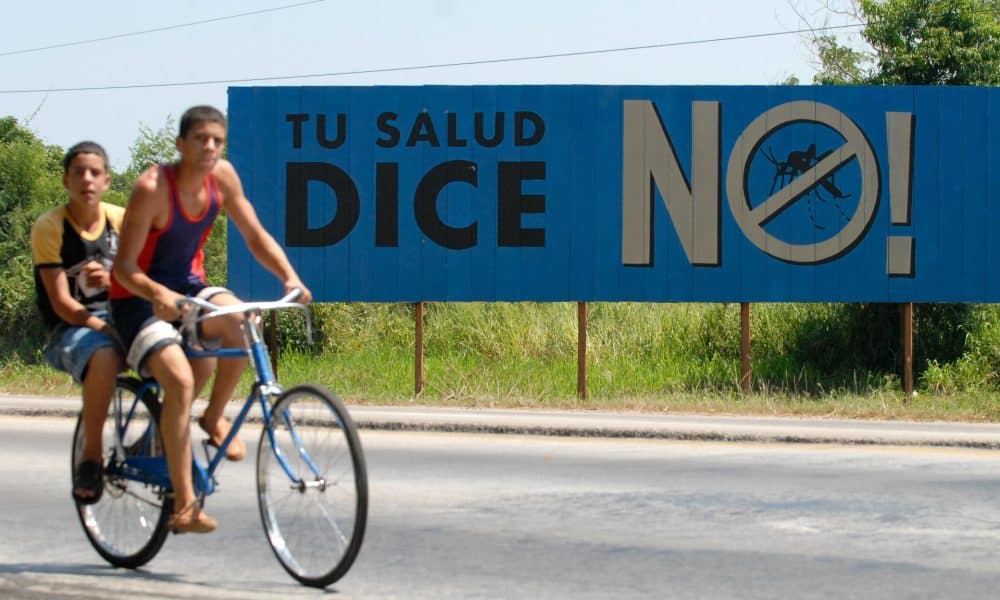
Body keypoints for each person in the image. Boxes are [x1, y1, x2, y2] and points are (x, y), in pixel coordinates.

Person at [111, 105, 312, 534]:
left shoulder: (223, 178)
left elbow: (255, 234)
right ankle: (184, 507)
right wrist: (158, 295)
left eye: (217, 141)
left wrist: (289, 277)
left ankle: (213, 417)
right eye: (201, 139)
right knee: (181, 382)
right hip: (136, 300)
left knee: (243, 320)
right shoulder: (152, 188)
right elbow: (124, 268)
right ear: (180, 144)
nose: (210, 148)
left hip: (188, 288)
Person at [31, 141, 125, 505]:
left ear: (106, 181)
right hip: (70, 329)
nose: (87, 179)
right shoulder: (51, 227)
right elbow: (62, 302)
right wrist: (104, 329)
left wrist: (114, 280)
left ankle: (158, 438)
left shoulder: (121, 220)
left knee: (184, 347)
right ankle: (92, 457)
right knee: (105, 355)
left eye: (95, 172)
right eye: (78, 172)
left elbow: (145, 277)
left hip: (120, 317)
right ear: (65, 181)